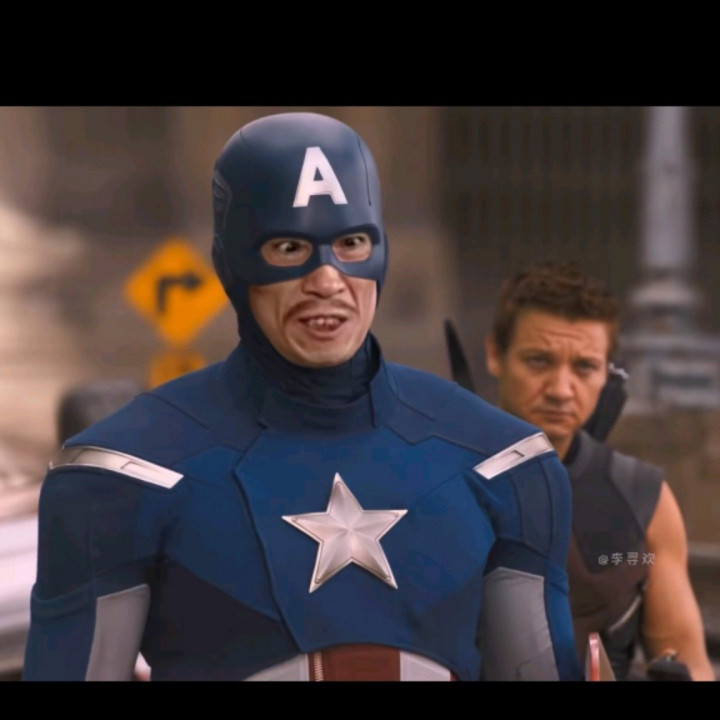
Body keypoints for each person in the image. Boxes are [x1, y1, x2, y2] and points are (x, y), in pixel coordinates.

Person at [23, 113, 581, 681]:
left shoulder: (505, 464)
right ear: (232, 262)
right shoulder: (123, 476)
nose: (328, 280)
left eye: (352, 244)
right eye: (290, 248)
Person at [483, 261, 715, 681]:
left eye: (584, 367)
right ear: (496, 355)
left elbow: (689, 662)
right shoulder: (443, 478)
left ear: (607, 373)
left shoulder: (641, 499)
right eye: (538, 361)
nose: (561, 390)